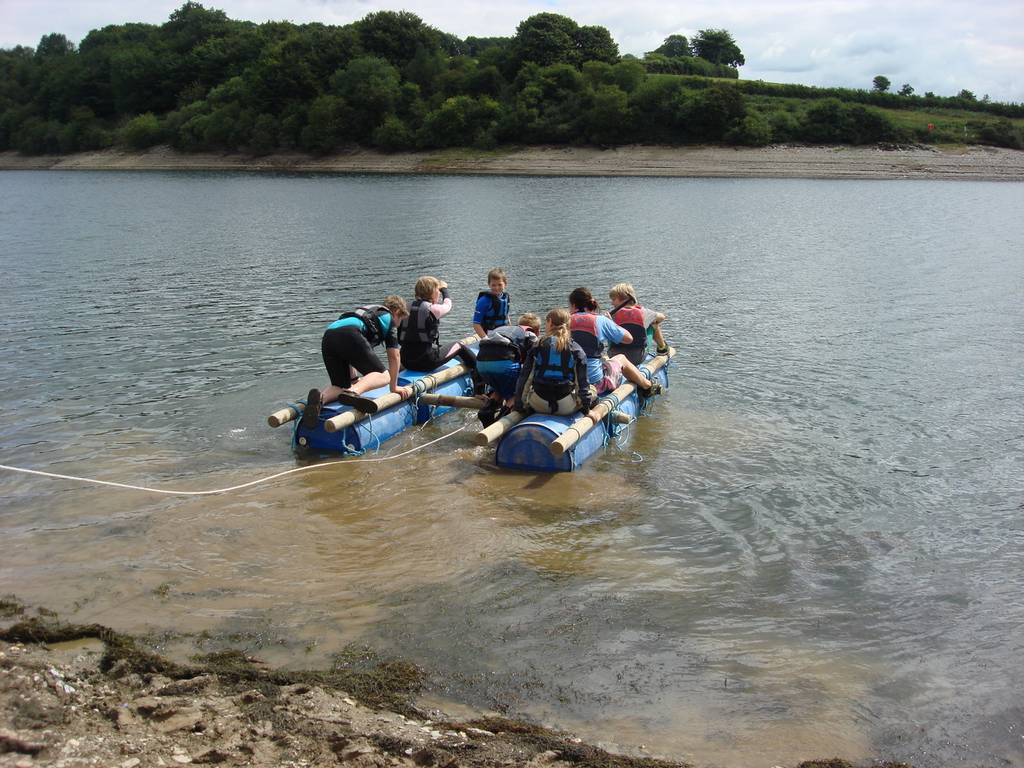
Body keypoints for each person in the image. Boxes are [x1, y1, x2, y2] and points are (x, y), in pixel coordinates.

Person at [303, 296, 411, 429]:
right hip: (350, 334)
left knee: (340, 386)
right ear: (397, 312)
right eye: (400, 319)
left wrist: (353, 378)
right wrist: (394, 387)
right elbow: (395, 356)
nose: (399, 324)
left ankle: (319, 400)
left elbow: (348, 352)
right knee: (384, 376)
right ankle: (353, 392)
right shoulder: (388, 318)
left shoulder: (368, 312)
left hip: (329, 336)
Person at [568, 287, 661, 398]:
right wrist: (611, 323)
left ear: (573, 305)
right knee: (620, 357)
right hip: (595, 383)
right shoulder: (600, 320)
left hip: (569, 381)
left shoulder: (564, 322)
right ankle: (647, 386)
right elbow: (629, 338)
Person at [514, 308, 596, 419]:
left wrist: (520, 406)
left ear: (550, 322)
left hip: (538, 404)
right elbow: (582, 383)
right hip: (565, 407)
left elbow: (525, 379)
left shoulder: (537, 346)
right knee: (593, 389)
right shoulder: (576, 349)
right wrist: (586, 409)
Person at [399, 275, 479, 374]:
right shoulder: (433, 309)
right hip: (426, 362)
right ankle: (480, 371)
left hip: (406, 361)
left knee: (430, 347)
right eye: (438, 291)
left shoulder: (404, 309)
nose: (439, 294)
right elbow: (448, 305)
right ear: (433, 293)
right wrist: (444, 289)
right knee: (459, 346)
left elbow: (401, 339)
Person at [476, 313, 541, 427]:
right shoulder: (530, 334)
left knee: (500, 388)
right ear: (537, 330)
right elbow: (536, 362)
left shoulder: (504, 329)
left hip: (481, 364)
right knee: (515, 393)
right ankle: (502, 419)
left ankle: (486, 411)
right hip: (503, 363)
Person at [607, 283, 669, 365]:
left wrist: (608, 321)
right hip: (637, 358)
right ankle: (662, 348)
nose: (612, 303)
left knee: (608, 328)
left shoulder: (611, 316)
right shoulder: (644, 312)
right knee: (654, 323)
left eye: (614, 299)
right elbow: (662, 317)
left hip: (614, 356)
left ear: (623, 299)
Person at [473, 267, 510, 338]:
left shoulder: (506, 297)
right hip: (490, 335)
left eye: (500, 285)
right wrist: (486, 340)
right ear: (489, 284)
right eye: (493, 285)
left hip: (504, 333)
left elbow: (506, 316)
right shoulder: (484, 300)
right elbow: (476, 324)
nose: (496, 288)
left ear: (505, 284)